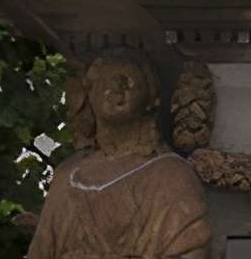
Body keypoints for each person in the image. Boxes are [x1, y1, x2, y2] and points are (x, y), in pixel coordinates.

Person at [26, 50, 209, 259]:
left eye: (128, 80)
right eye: (105, 79)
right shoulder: (66, 177)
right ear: (89, 93)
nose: (116, 87)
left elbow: (190, 250)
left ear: (151, 98)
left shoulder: (171, 176)